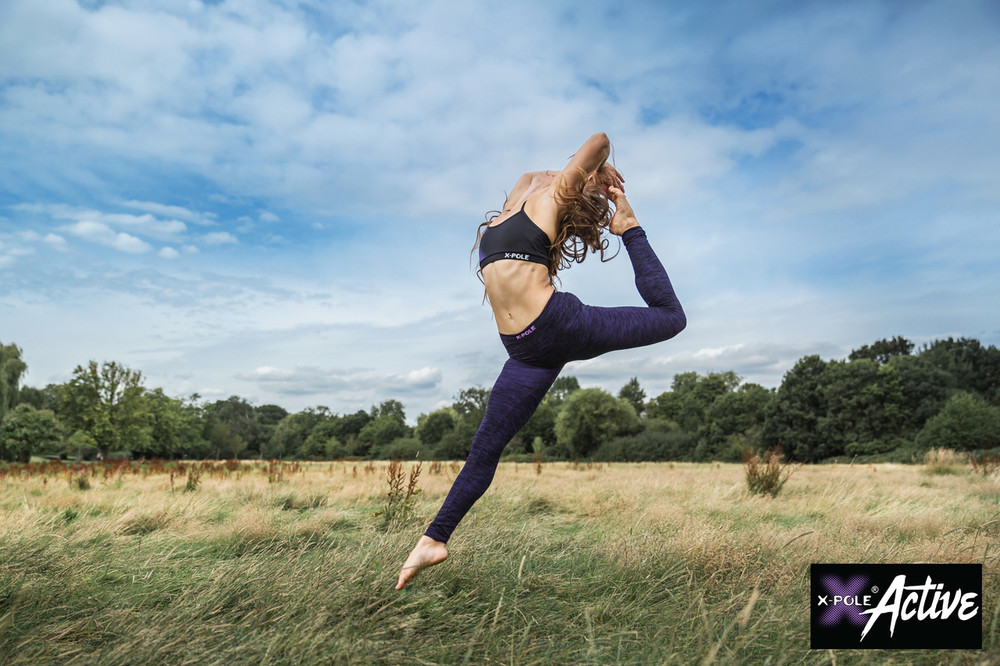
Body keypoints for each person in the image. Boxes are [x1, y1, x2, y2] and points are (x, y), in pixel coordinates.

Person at [395, 132, 686, 590]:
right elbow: (533, 172)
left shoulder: (556, 195)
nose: (557, 173)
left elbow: (599, 140)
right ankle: (433, 540)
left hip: (558, 323)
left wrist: (597, 173)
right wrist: (580, 169)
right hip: (526, 350)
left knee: (671, 318)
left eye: (572, 174)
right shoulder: (524, 192)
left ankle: (630, 227)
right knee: (485, 448)